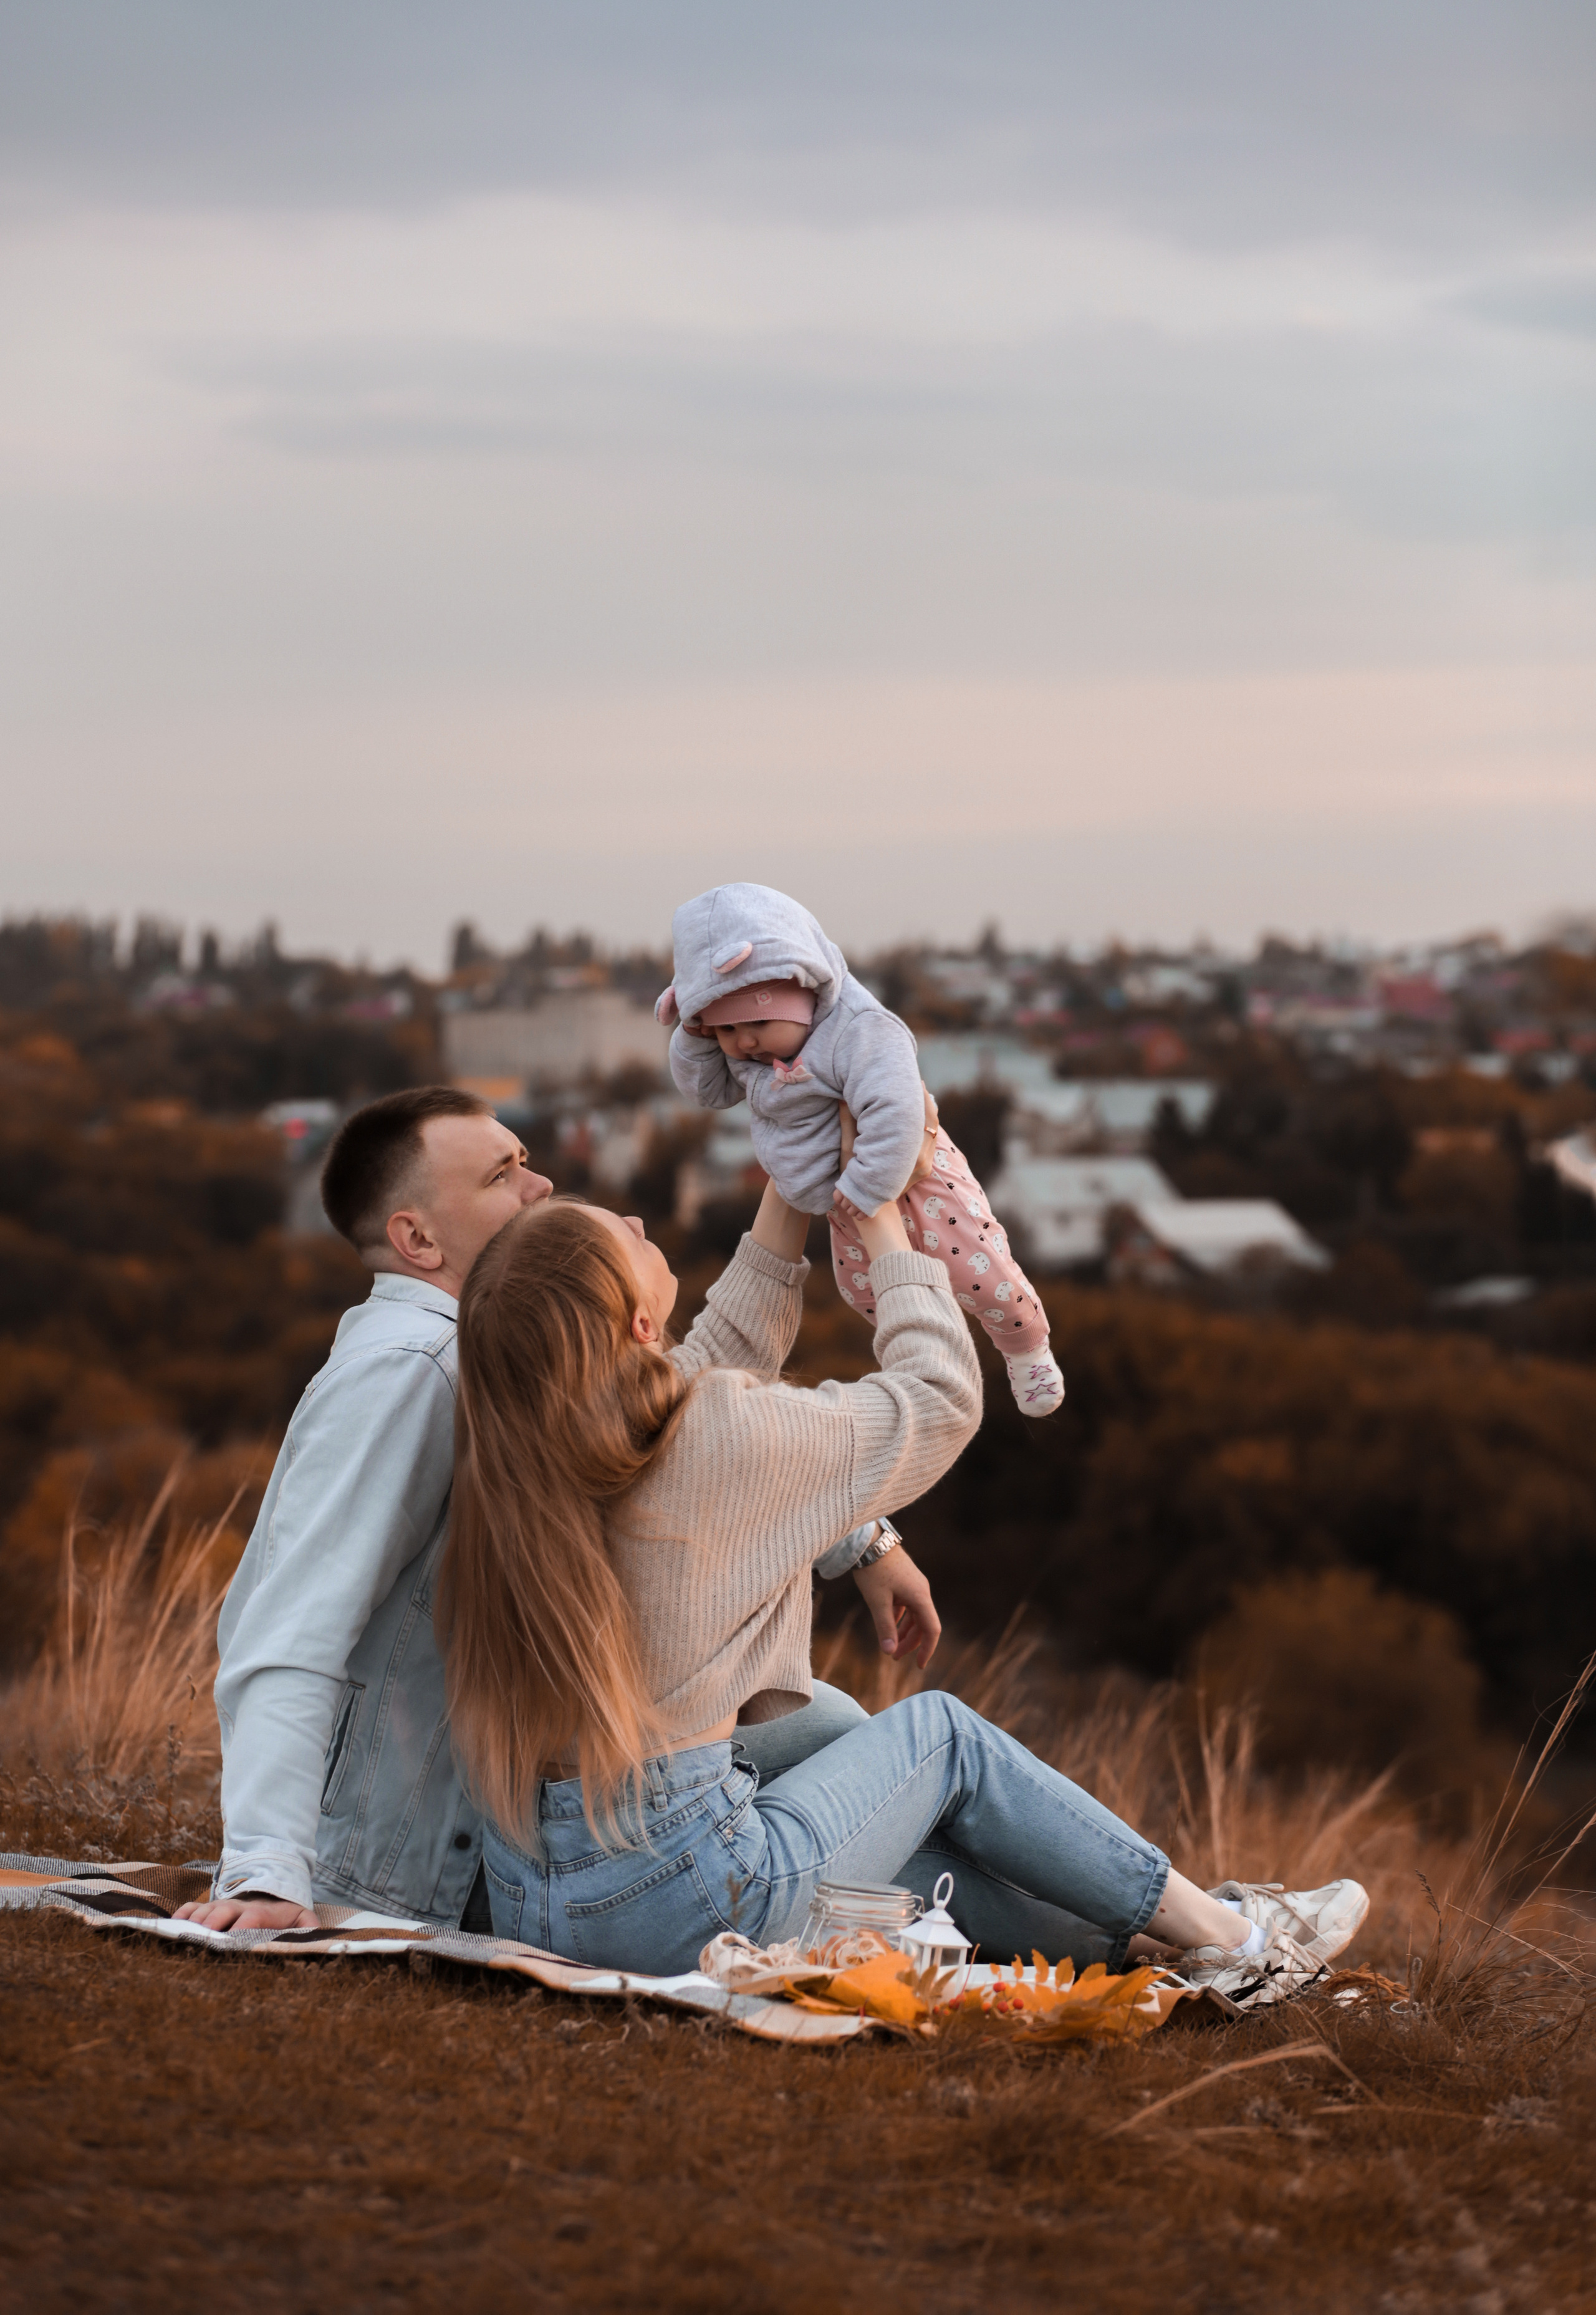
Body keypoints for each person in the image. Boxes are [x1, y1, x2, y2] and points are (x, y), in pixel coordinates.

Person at [442, 1173, 1368, 2002]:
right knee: (944, 1739)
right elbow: (939, 1399)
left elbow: (717, 1355)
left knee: (840, 1731)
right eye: (625, 1235)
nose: (643, 1219)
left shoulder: (513, 1463)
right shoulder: (711, 1434)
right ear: (637, 1328)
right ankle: (1240, 1941)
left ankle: (1119, 1938)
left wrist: (790, 1187)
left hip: (534, 1904)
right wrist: (889, 1229)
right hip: (682, 1906)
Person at [176, 1087, 898, 1937]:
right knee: (879, 1759)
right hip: (432, 1854)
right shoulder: (409, 1371)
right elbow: (289, 1632)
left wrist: (858, 1538)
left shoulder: (488, 1347)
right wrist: (265, 1872)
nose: (541, 1187)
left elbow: (668, 1430)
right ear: (417, 1237)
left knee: (835, 1727)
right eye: (502, 1175)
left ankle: (982, 1911)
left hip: (523, 1790)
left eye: (525, 1161)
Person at [655, 882, 1066, 1416]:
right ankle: (934, 1336)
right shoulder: (746, 1051)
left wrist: (869, 1185)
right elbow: (707, 1091)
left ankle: (1025, 1346)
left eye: (757, 1022)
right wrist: (692, 1032)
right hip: (840, 1203)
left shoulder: (861, 1030)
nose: (744, 1042)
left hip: (912, 1181)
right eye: (725, 1029)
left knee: (982, 1272)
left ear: (804, 991)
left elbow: (898, 1109)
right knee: (865, 1291)